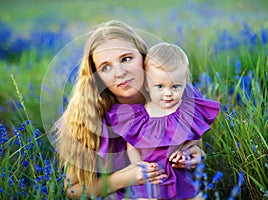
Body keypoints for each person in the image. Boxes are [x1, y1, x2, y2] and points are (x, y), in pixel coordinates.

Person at [53, 20, 206, 199]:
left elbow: (196, 145)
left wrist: (195, 156)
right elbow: (73, 189)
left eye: (126, 58)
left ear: (143, 56)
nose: (119, 73)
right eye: (106, 67)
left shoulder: (174, 93)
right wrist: (124, 178)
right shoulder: (86, 116)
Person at [106, 42, 220, 199]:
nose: (168, 93)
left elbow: (194, 141)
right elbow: (131, 144)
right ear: (146, 84)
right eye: (159, 86)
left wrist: (185, 153)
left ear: (186, 81)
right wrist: (137, 165)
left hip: (178, 177)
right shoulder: (139, 116)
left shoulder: (186, 112)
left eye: (175, 87)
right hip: (148, 177)